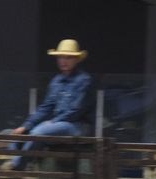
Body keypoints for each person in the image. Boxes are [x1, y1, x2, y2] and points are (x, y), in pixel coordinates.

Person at [8, 39, 94, 171]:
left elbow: (76, 110)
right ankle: (14, 170)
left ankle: (15, 168)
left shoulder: (84, 80)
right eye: (60, 57)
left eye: (68, 57)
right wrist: (25, 126)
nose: (63, 61)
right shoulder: (56, 81)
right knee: (15, 135)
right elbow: (45, 107)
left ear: (77, 59)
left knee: (39, 132)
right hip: (59, 124)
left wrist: (53, 122)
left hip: (77, 126)